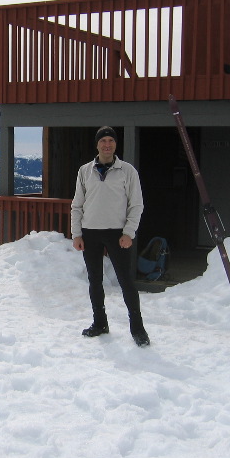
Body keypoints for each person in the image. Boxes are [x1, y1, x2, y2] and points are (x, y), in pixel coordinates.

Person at [70, 126, 150, 346]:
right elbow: (77, 205)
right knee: (95, 281)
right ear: (97, 145)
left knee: (126, 282)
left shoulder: (127, 171)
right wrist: (77, 233)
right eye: (103, 141)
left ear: (116, 145)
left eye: (111, 141)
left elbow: (137, 205)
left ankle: (138, 329)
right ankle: (100, 323)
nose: (107, 144)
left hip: (118, 234)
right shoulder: (85, 171)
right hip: (90, 233)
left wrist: (128, 232)